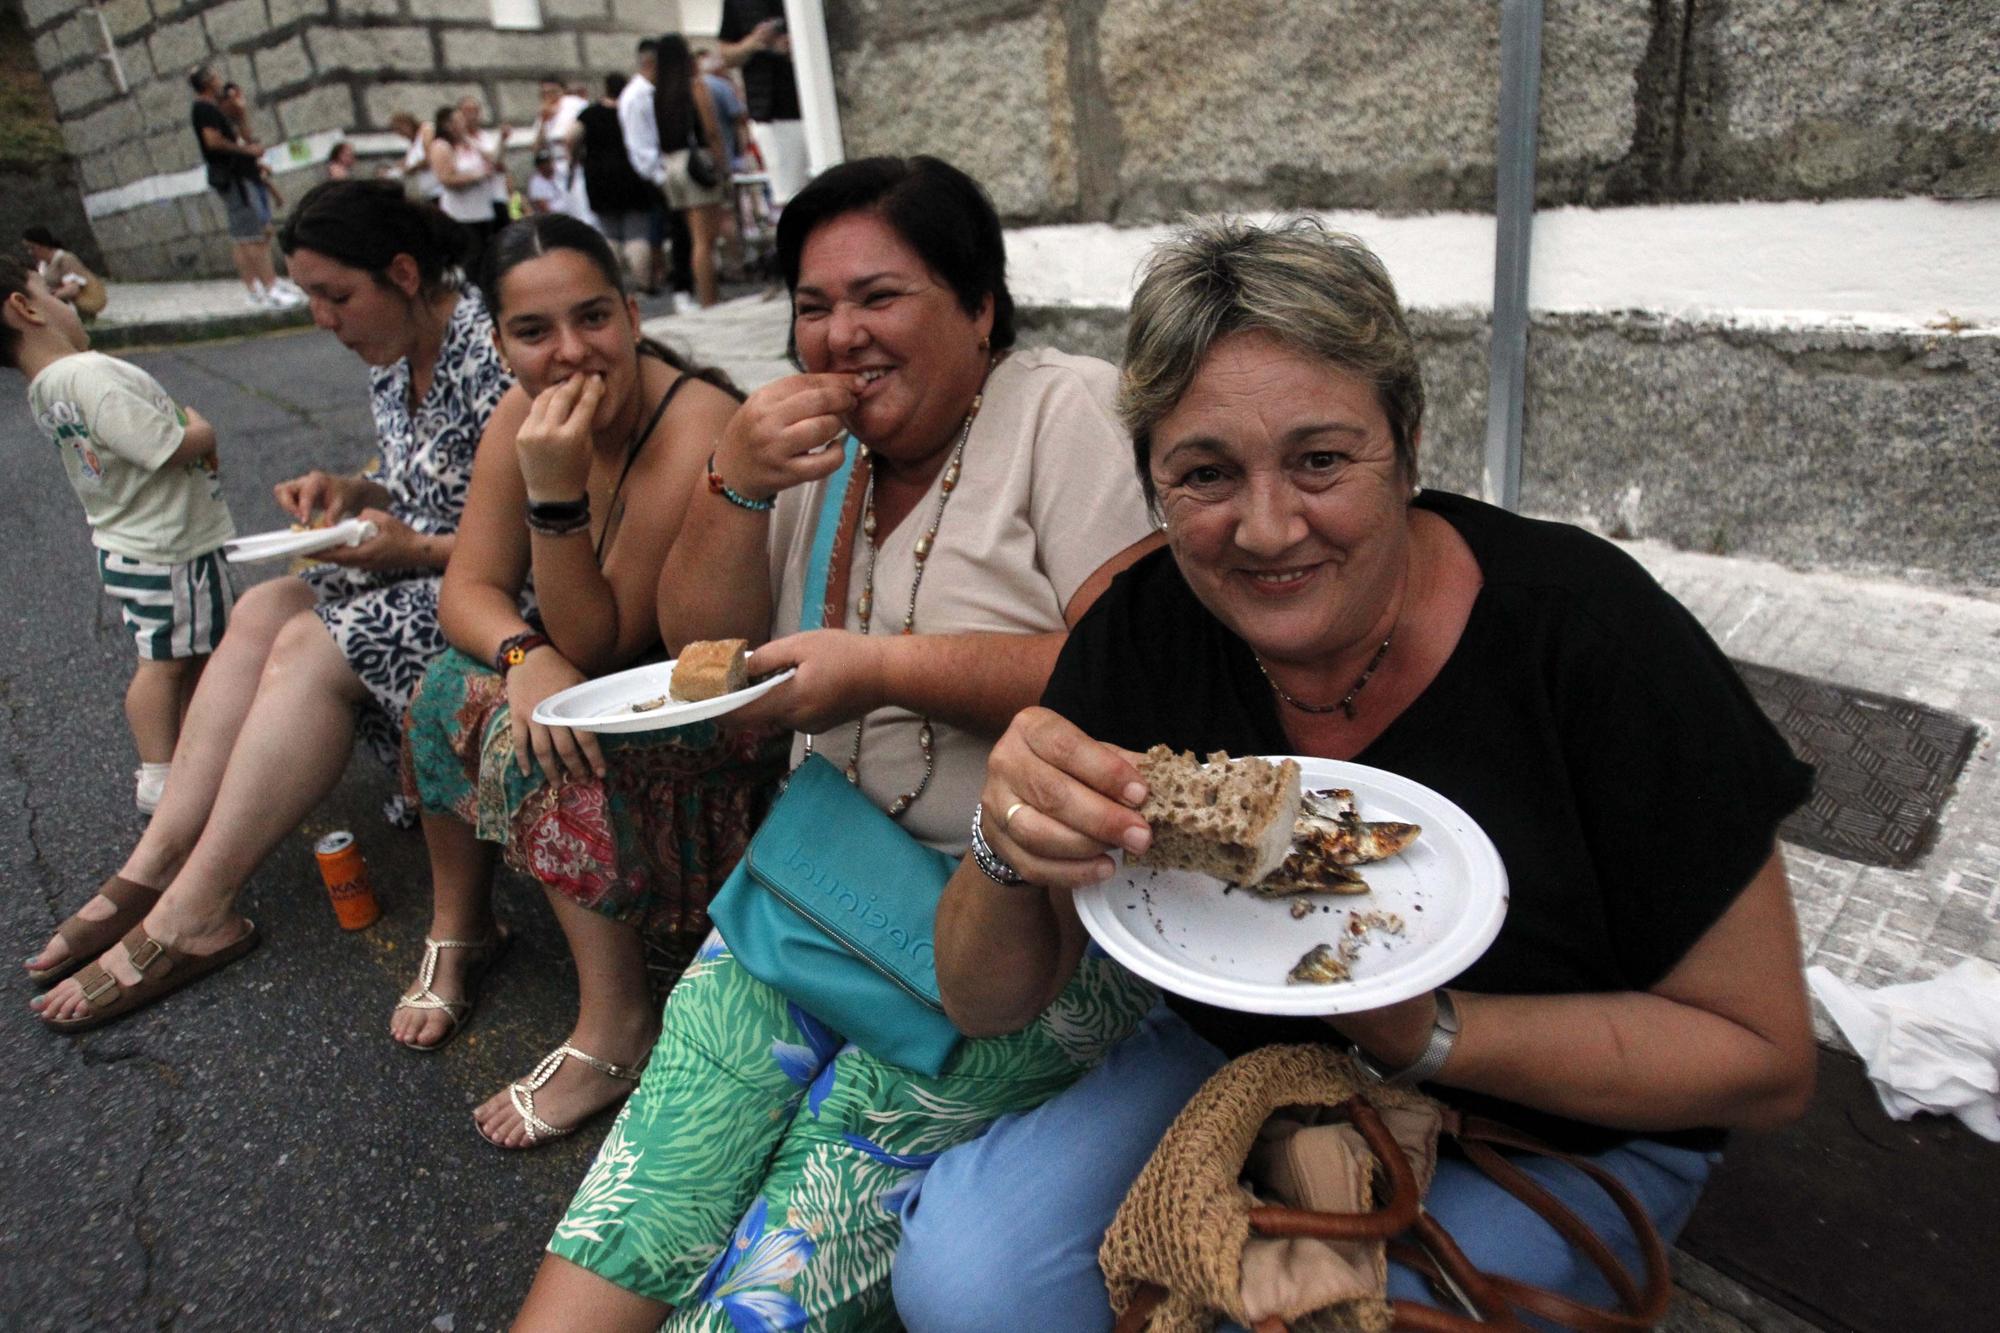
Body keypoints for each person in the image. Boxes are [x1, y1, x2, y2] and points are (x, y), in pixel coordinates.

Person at [891, 218, 1821, 1330]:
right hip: (1244, 1055)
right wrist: (1004, 839)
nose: (1267, 527)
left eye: (1321, 459)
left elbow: (1764, 1058)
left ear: (1409, 444)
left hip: (1570, 1121)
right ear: (1150, 481)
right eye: (1204, 473)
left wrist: (1428, 1033)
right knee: (965, 1281)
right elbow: (982, 999)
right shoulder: (1140, 637)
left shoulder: (1588, 638)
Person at [511, 156, 1164, 1329]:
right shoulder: (813, 448)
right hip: (815, 885)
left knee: (768, 1284)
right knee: (638, 1205)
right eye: (812, 306)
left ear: (977, 306)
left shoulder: (1061, 410)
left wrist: (880, 670)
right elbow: (697, 643)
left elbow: (1128, 676)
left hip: (1021, 928)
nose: (839, 335)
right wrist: (735, 479)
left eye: (879, 297)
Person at [27, 181, 510, 1030]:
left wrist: (414, 549)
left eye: (336, 295)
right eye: (310, 297)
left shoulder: (492, 346)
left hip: (502, 585)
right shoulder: (397, 358)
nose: (323, 316)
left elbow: (537, 518)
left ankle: (193, 912)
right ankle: (160, 861)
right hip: (430, 560)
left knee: (313, 644)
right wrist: (355, 486)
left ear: (403, 272)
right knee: (261, 611)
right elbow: (428, 479)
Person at [396, 214, 788, 1148]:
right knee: (450, 684)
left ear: (633, 313)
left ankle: (617, 1026)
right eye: (534, 332)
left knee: (533, 735)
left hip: (706, 709)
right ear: (498, 344)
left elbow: (606, 636)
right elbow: (471, 590)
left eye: (593, 318)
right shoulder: (521, 418)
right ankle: (463, 925)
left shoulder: (694, 422)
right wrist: (526, 659)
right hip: (600, 680)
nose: (570, 352)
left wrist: (554, 498)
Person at [2, 256, 234, 821]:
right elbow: (163, 445)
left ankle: (189, 755)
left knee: (178, 654)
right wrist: (199, 427)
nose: (68, 299)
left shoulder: (47, 388)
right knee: (173, 661)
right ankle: (164, 774)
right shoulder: (91, 375)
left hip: (129, 542)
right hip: (170, 548)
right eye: (51, 291)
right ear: (25, 307)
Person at [188, 67, 299, 309]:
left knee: (245, 236)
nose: (220, 81)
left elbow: (243, 136)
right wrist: (247, 152)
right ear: (207, 82)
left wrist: (241, 113)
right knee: (251, 236)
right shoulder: (204, 109)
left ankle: (259, 287)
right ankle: (268, 288)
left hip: (242, 176)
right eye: (215, 78)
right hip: (235, 177)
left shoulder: (217, 110)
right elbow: (213, 141)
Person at [651, 34, 730, 308]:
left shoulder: (659, 94)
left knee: (692, 235)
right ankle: (710, 299)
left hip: (672, 163)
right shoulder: (695, 87)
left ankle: (702, 296)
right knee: (704, 240)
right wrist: (722, 165)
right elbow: (711, 130)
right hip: (697, 163)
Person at [573, 74, 661, 290]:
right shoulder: (630, 110)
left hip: (599, 178)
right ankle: (645, 282)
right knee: (637, 235)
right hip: (632, 177)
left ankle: (612, 283)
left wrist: (577, 156)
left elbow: (570, 136)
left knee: (610, 234)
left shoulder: (590, 114)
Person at [717, 1, 808, 204]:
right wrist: (754, 43)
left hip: (818, 101)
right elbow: (725, 54)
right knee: (790, 196)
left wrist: (800, 44)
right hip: (772, 112)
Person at [615, 40, 671, 295]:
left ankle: (658, 274)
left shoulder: (646, 93)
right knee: (654, 230)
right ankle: (654, 277)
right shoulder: (637, 96)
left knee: (658, 230)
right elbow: (640, 143)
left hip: (654, 171)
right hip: (651, 174)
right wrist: (659, 176)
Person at [430, 104, 502, 251]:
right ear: (447, 125)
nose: (464, 123)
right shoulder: (441, 146)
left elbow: (493, 159)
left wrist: (502, 140)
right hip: (462, 213)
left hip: (482, 209)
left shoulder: (468, 141)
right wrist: (478, 176)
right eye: (459, 120)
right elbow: (446, 179)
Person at [530, 74, 592, 223]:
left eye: (552, 91)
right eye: (544, 93)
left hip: (576, 162)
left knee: (583, 207)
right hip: (556, 166)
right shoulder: (544, 114)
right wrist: (544, 122)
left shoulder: (573, 105)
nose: (548, 96)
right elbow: (536, 147)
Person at [22, 226, 107, 322]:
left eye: (32, 248)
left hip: (82, 307)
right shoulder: (43, 265)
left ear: (42, 244)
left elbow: (73, 289)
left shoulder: (65, 259)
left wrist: (49, 297)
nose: (30, 252)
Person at [458, 95, 514, 227]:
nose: (471, 115)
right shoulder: (455, 142)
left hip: (494, 195)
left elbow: (497, 161)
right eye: (467, 111)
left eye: (475, 111)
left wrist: (502, 141)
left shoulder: (487, 137)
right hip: (470, 202)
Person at [388, 110, 438, 200]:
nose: (402, 135)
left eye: (400, 130)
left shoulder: (426, 131)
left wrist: (412, 168)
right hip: (427, 191)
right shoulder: (412, 142)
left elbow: (429, 158)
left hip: (438, 189)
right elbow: (408, 161)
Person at [524, 151, 569, 217]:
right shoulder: (535, 183)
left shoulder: (561, 171)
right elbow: (544, 208)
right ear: (539, 167)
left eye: (549, 161)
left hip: (572, 210)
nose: (548, 165)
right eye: (545, 163)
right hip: (555, 218)